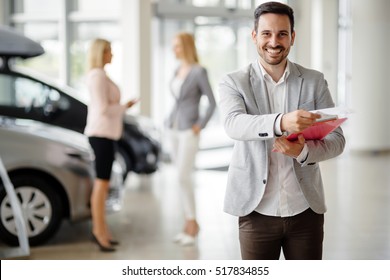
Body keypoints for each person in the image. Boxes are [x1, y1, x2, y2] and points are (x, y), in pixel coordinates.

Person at [218, 2, 345, 260]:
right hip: (256, 211)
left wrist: (303, 151)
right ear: (254, 36)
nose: (274, 41)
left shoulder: (314, 80)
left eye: (282, 34)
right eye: (266, 33)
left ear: (292, 37)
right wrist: (281, 122)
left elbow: (337, 140)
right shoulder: (233, 81)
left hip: (305, 210)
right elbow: (234, 124)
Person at [84, 38, 138, 252]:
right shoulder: (97, 76)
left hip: (107, 135)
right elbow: (103, 109)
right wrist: (124, 106)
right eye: (110, 51)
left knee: (103, 184)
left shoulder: (101, 75)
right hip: (101, 135)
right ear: (101, 53)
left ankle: (102, 229)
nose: (113, 55)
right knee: (101, 184)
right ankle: (98, 231)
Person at [166, 32, 216, 246]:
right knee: (181, 178)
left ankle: (192, 223)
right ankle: (189, 223)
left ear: (186, 47)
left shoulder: (199, 71)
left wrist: (199, 125)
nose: (173, 49)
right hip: (173, 128)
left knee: (182, 176)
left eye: (177, 46)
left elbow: (212, 103)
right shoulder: (177, 70)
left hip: (189, 130)